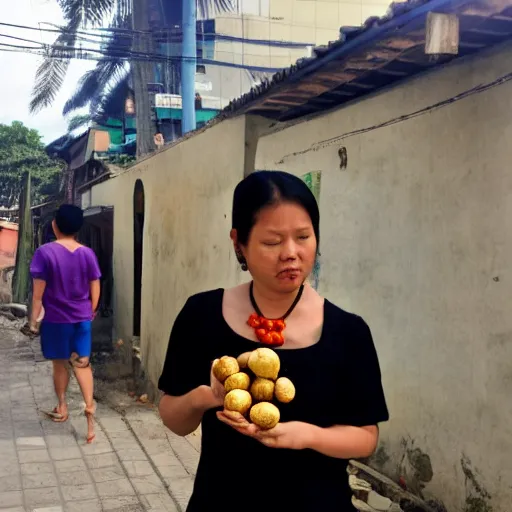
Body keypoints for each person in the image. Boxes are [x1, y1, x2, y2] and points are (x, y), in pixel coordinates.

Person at [158, 171, 389, 511]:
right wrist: (208, 396)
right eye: (272, 242)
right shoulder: (201, 314)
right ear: (239, 242)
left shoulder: (348, 331)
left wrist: (305, 436)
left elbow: (365, 437)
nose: (291, 253)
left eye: (303, 236)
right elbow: (174, 419)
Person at [29, 204, 101, 444]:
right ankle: (90, 417)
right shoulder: (87, 253)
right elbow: (95, 287)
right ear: (79, 228)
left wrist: (32, 323)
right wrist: (89, 312)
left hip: (56, 321)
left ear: (54, 225)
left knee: (60, 365)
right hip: (81, 319)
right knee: (82, 365)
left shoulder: (44, 253)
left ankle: (62, 406)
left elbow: (38, 295)